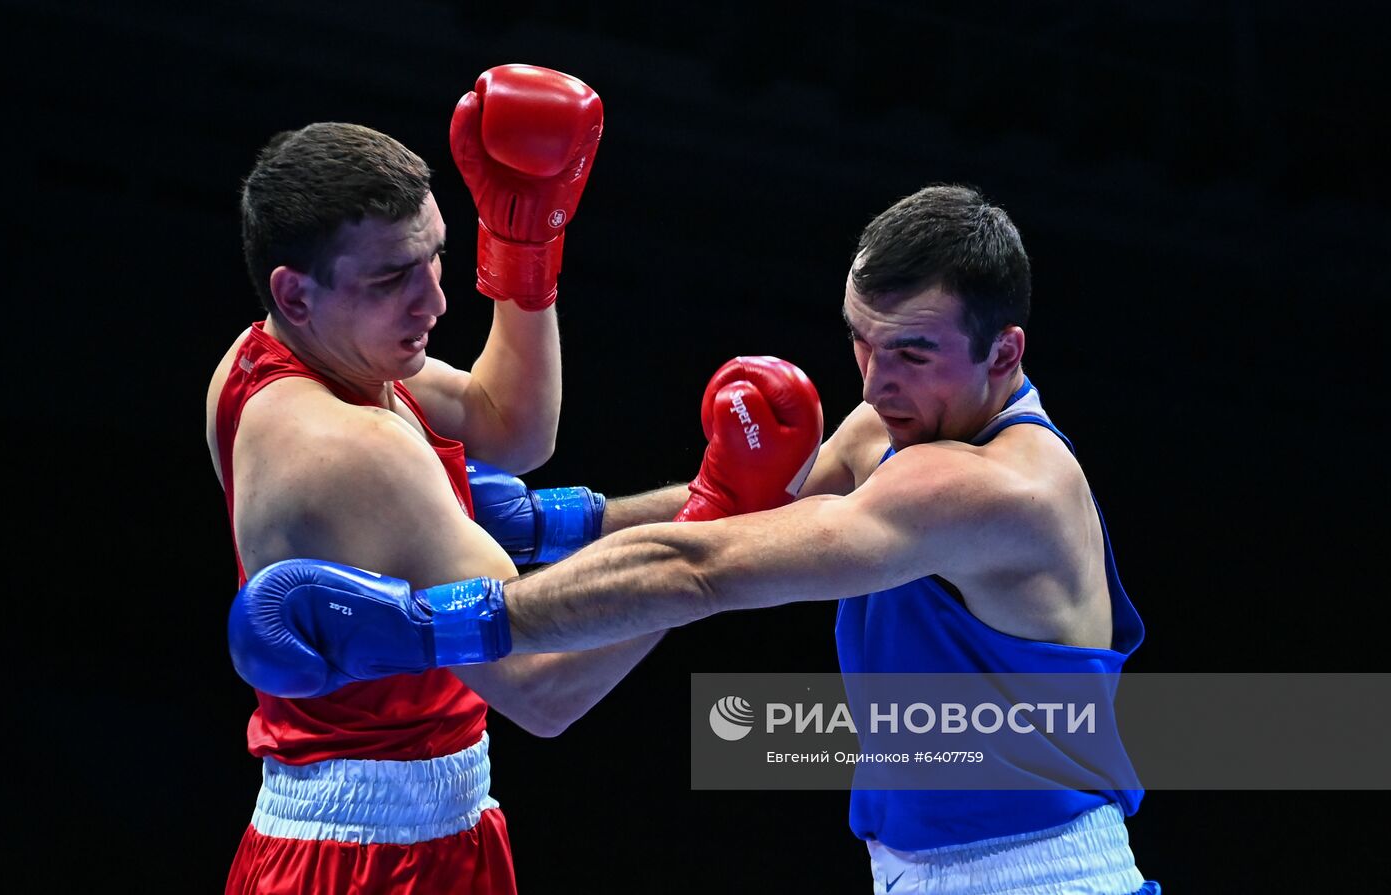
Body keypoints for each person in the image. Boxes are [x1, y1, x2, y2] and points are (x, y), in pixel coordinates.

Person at [234, 185, 1160, 894]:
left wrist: (430, 626)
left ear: (1005, 353)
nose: (875, 383)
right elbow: (749, 507)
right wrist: (549, 518)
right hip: (923, 867)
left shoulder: (992, 485)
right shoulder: (899, 427)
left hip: (1042, 872)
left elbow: (704, 563)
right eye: (861, 342)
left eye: (912, 352)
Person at [206, 60, 823, 895]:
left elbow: (513, 424)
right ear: (297, 292)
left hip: (406, 831)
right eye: (393, 278)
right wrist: (712, 515)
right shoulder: (349, 448)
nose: (435, 301)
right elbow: (545, 686)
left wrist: (523, 247)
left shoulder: (270, 358)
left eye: (438, 258)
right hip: (375, 865)